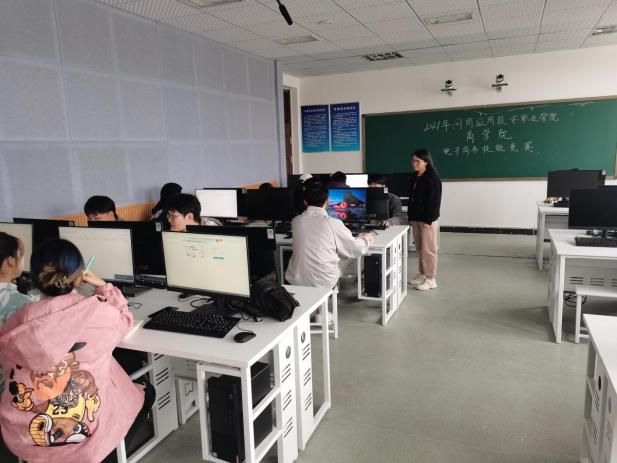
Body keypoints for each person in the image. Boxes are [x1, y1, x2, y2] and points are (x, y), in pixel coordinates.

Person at [0, 239, 148, 463]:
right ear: (79, 277)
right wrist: (104, 287)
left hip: (23, 436)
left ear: (35, 278)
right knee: (144, 390)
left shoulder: (19, 318)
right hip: (86, 437)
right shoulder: (98, 313)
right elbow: (125, 321)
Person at [286, 181, 373, 290]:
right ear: (327, 201)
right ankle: (336, 281)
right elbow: (355, 248)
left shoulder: (295, 221)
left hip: (295, 279)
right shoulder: (332, 223)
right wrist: (365, 238)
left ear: (305, 202)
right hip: (322, 281)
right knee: (347, 254)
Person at [408, 149, 442, 291]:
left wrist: (429, 220)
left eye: (418, 161)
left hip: (428, 220)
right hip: (416, 218)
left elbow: (435, 201)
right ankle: (422, 274)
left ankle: (431, 279)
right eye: (413, 160)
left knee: (429, 250)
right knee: (420, 249)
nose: (414, 163)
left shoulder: (432, 178)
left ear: (426, 162)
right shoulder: (415, 176)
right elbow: (411, 198)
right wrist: (411, 216)